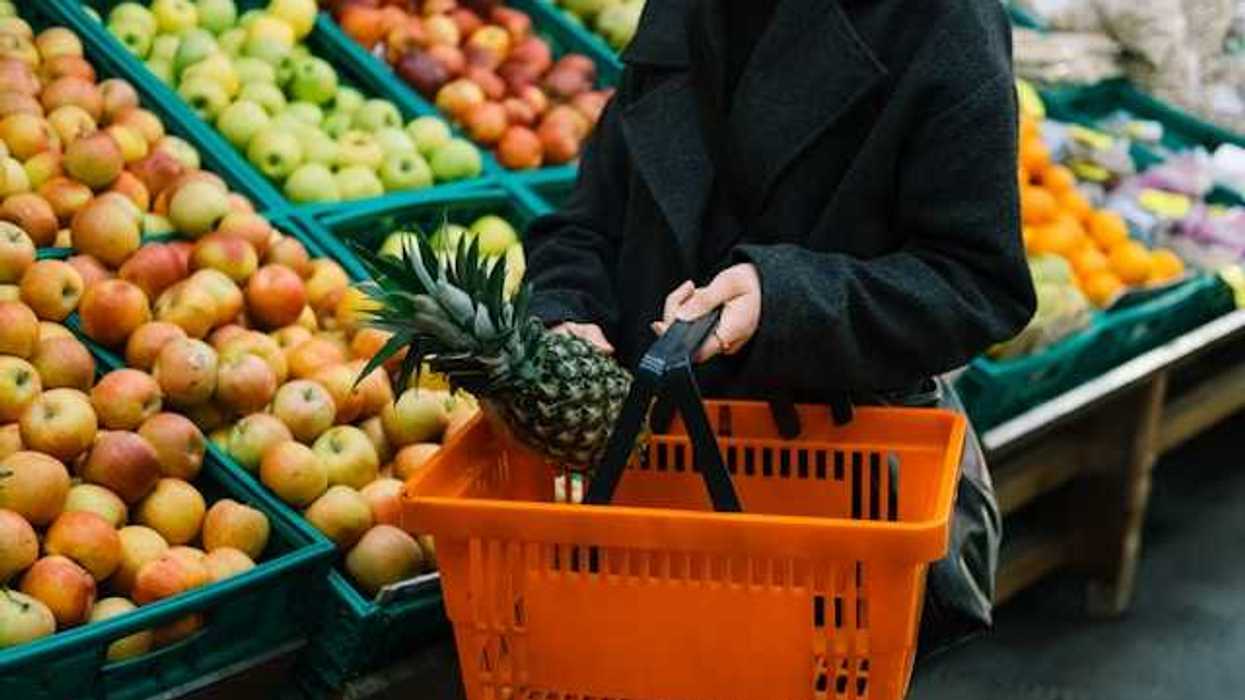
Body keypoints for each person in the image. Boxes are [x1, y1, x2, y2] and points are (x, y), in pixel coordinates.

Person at [524, 0, 1035, 654]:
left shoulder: (941, 21)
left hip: (820, 499)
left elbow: (976, 281)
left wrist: (785, 298)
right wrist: (566, 311)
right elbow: (590, 218)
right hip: (643, 490)